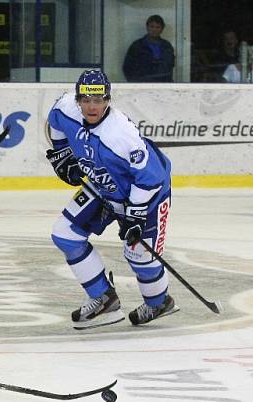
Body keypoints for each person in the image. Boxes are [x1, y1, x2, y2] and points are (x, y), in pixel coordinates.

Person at [45, 69, 178, 330]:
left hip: (145, 196)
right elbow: (55, 123)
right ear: (77, 98)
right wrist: (64, 155)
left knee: (139, 256)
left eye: (98, 100)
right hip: (102, 185)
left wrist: (135, 214)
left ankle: (159, 302)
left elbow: (153, 177)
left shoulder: (120, 135)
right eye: (86, 100)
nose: (91, 107)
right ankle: (103, 297)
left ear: (108, 100)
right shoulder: (65, 108)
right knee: (65, 234)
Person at [122, 15, 175, 82]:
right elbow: (127, 67)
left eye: (157, 27)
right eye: (152, 26)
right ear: (147, 27)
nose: (154, 30)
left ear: (162, 29)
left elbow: (170, 67)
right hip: (143, 85)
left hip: (163, 85)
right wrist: (135, 84)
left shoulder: (167, 46)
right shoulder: (137, 46)